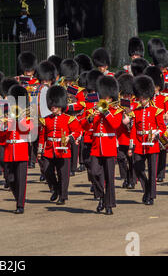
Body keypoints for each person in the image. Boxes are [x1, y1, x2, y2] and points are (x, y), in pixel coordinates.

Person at [81, 76, 122, 215]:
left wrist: (106, 112)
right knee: (93, 172)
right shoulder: (94, 110)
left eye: (106, 98)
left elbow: (116, 125)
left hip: (109, 146)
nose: (103, 100)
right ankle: (103, 197)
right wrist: (90, 118)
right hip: (96, 147)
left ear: (111, 98)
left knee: (109, 178)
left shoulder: (116, 111)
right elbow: (85, 126)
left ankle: (109, 204)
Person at [38, 86, 81, 205]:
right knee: (47, 170)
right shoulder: (46, 120)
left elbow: (78, 132)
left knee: (63, 174)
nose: (53, 107)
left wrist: (69, 138)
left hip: (63, 149)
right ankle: (56, 189)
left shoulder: (69, 119)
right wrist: (40, 150)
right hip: (49, 149)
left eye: (55, 105)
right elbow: (42, 136)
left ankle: (63, 196)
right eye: (51, 105)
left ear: (60, 105)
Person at [128, 75, 167, 206]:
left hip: (152, 144)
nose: (142, 100)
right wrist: (131, 145)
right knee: (137, 168)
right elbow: (133, 129)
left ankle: (151, 195)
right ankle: (147, 190)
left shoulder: (156, 111)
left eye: (144, 98)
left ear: (149, 97)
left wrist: (157, 133)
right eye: (140, 98)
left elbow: (162, 127)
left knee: (152, 171)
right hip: (139, 143)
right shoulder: (136, 111)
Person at [0, 85, 34, 214]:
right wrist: (4, 124)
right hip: (9, 151)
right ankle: (18, 198)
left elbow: (28, 128)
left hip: (21, 150)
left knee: (21, 180)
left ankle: (20, 205)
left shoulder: (27, 114)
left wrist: (18, 119)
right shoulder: (6, 114)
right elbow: (0, 133)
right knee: (10, 179)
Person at [115, 73, 137, 189]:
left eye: (128, 95)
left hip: (131, 137)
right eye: (125, 94)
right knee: (121, 158)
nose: (127, 97)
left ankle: (132, 180)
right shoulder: (118, 105)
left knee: (131, 160)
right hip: (120, 137)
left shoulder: (135, 104)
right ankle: (126, 177)